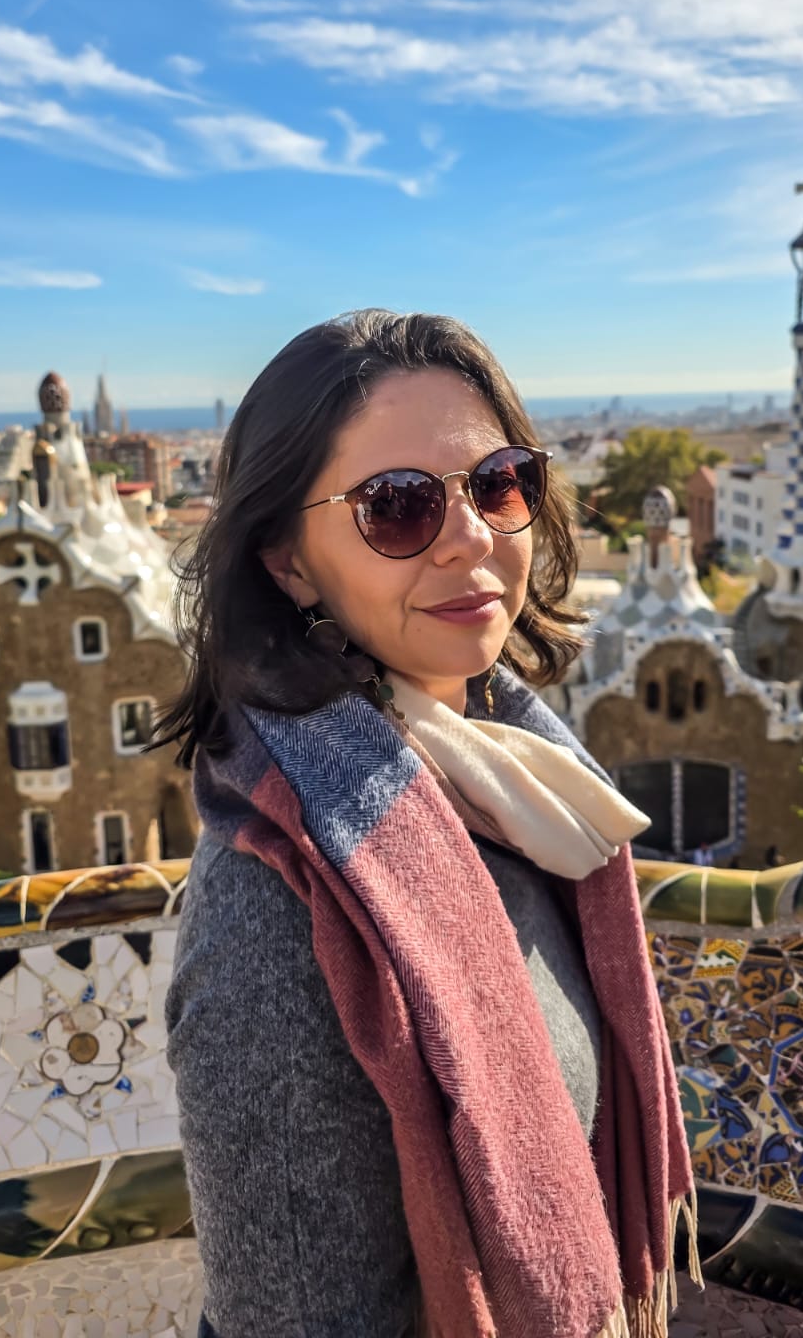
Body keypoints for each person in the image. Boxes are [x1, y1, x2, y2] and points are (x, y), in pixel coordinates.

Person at [162, 310, 698, 1338]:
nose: (473, 537)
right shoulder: (284, 921)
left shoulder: (523, 788)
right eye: (397, 506)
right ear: (287, 560)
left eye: (499, 484)